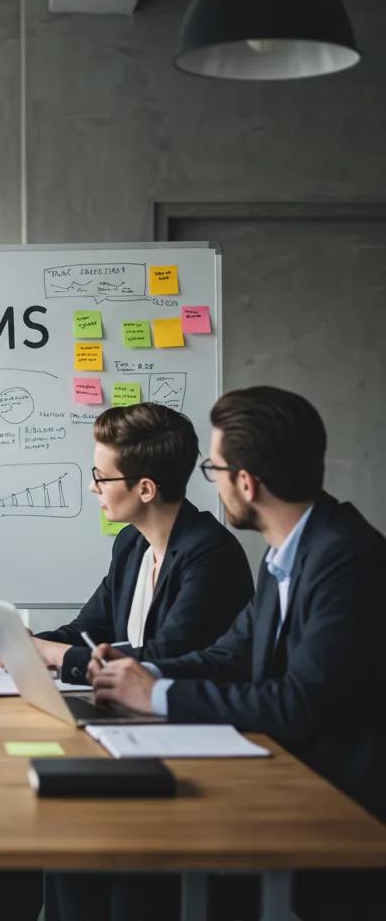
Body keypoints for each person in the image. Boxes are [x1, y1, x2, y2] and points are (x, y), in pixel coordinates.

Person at [91, 386, 385, 920]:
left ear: (246, 484)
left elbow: (299, 704)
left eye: (215, 469)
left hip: (340, 809)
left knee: (135, 864)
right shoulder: (291, 550)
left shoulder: (345, 561)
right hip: (288, 779)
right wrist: (143, 672)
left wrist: (156, 694)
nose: (212, 483)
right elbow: (228, 655)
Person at [0, 402, 254, 921]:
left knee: (53, 828)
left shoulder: (210, 554)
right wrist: (24, 640)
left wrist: (51, 654)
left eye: (101, 477)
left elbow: (166, 658)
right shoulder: (131, 545)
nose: (93, 488)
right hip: (121, 732)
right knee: (5, 822)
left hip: (181, 748)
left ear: (145, 488)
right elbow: (86, 630)